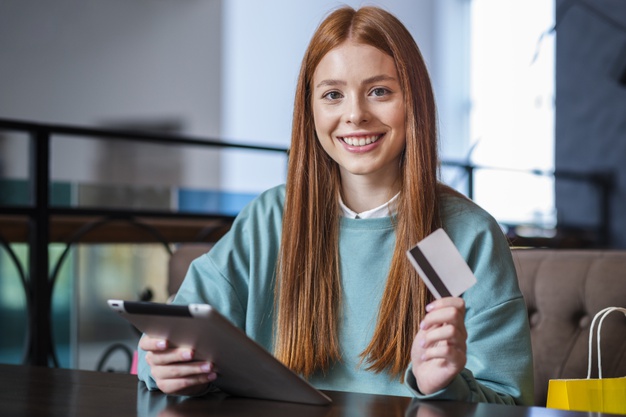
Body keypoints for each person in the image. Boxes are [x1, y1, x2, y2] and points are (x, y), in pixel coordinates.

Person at [138, 5, 534, 404]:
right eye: (332, 95)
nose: (355, 115)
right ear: (309, 110)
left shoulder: (468, 235)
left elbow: (510, 401)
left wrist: (446, 386)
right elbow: (170, 338)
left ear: (414, 101)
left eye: (379, 91)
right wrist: (167, 365)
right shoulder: (268, 220)